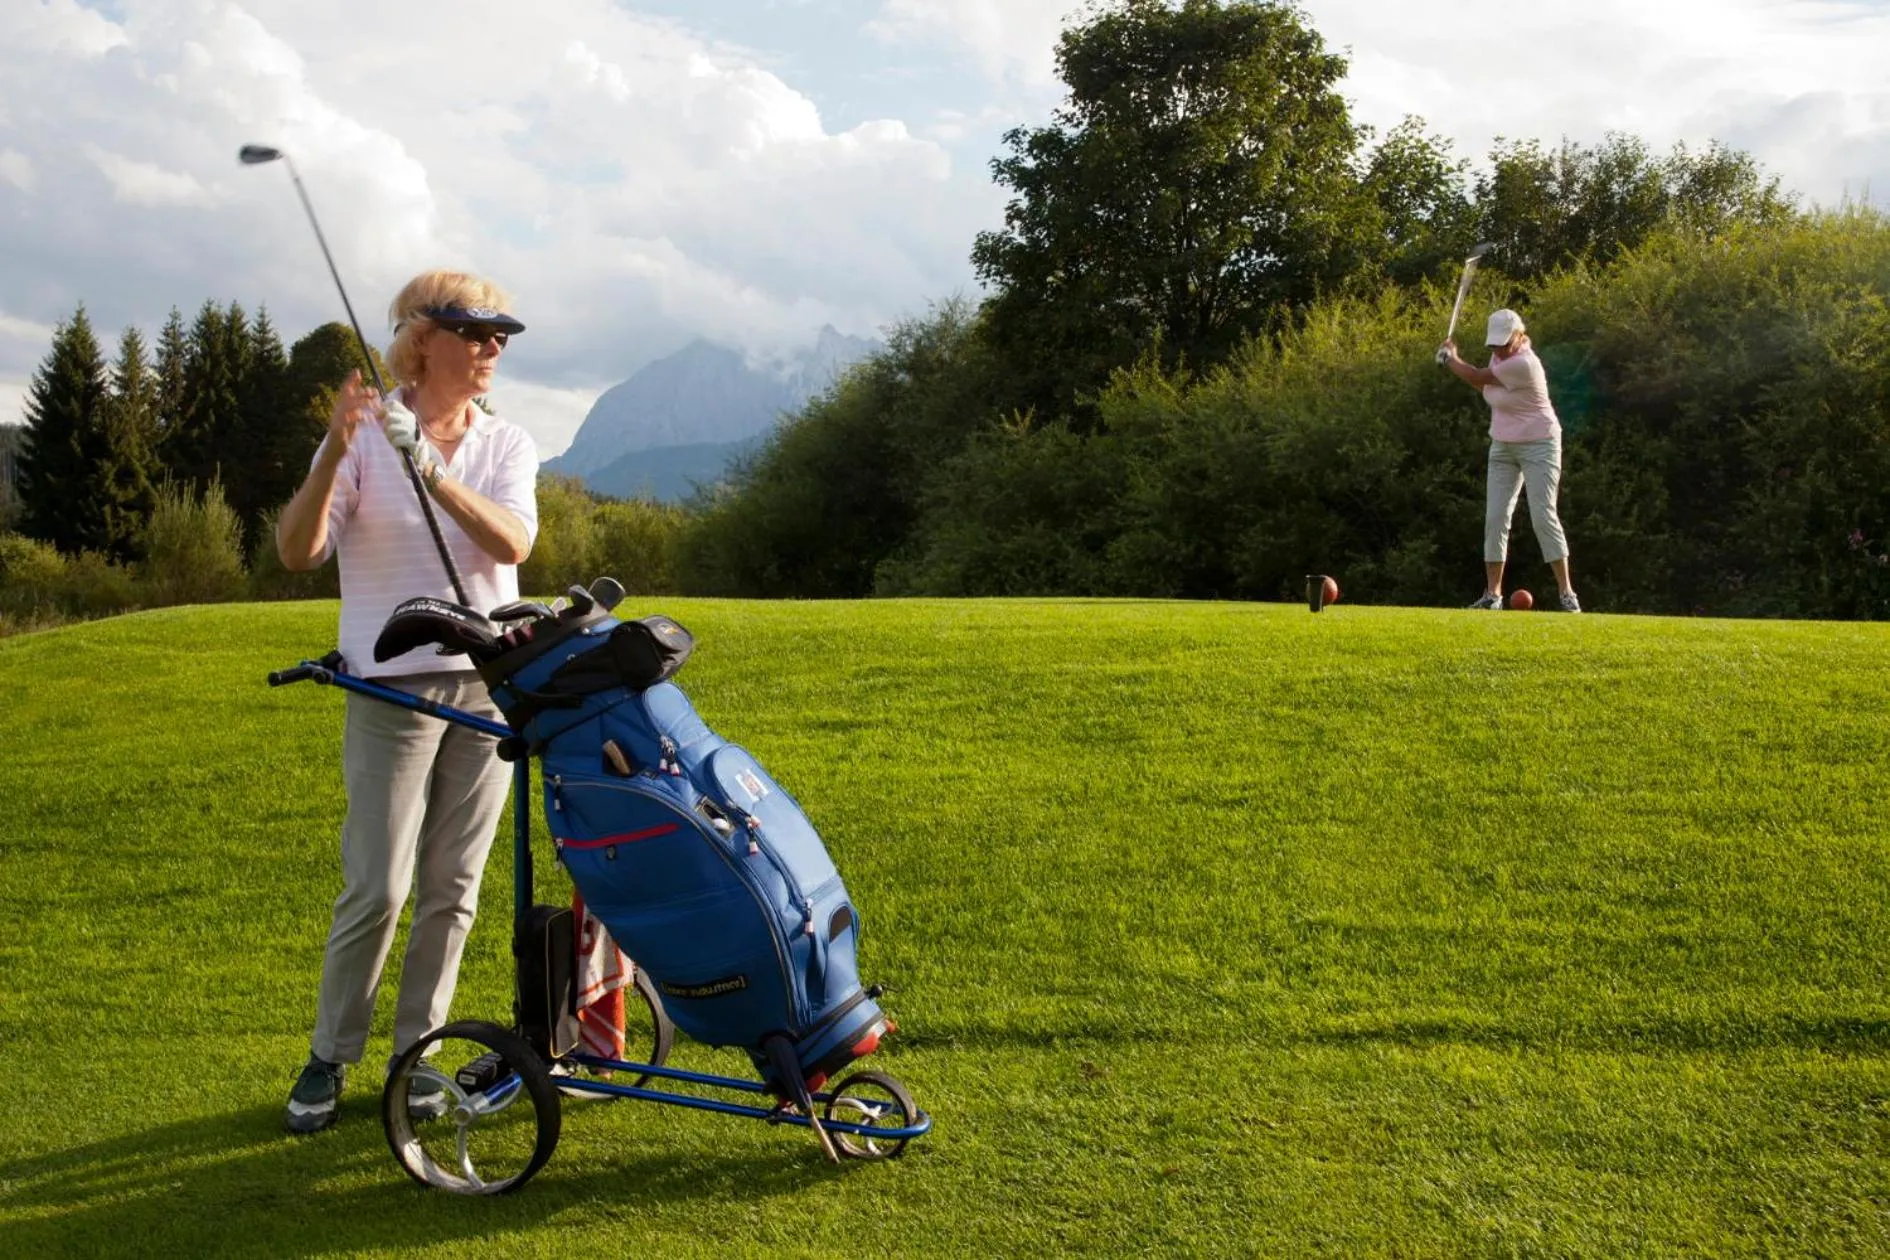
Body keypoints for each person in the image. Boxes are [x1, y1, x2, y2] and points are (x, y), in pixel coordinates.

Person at [273, 270, 540, 1133]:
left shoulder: (508, 445)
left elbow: (513, 540)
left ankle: (415, 1057)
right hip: (388, 689)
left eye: (503, 334)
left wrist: (427, 467)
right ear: (424, 338)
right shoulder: (360, 437)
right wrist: (334, 451)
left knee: (452, 886)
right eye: (477, 331)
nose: (494, 346)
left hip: (488, 684)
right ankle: (330, 1056)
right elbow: (299, 553)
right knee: (378, 887)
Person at [1440, 308, 1581, 612]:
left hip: (1539, 444)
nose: (1499, 350)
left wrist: (1451, 359)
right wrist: (1455, 363)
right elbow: (1482, 384)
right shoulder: (1499, 358)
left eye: (1504, 344)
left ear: (1519, 335)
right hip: (1503, 445)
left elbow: (1477, 377)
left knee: (1543, 516)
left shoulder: (1524, 364)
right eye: (1494, 345)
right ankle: (1493, 595)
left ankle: (1567, 594)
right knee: (1495, 518)